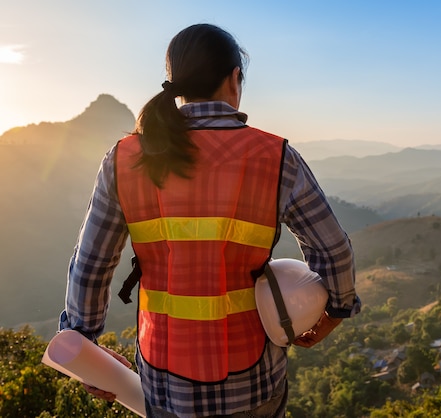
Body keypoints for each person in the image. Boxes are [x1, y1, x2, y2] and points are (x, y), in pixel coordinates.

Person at [59, 23, 360, 418]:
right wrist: (336, 310)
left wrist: (82, 343)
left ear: (174, 83)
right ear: (234, 78)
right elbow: (333, 250)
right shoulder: (275, 156)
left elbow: (92, 262)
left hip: (163, 385)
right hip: (254, 384)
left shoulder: (125, 158)